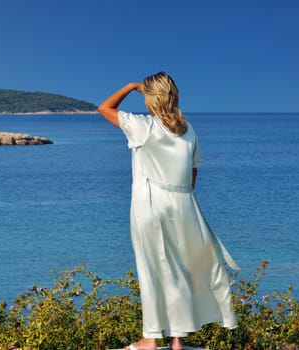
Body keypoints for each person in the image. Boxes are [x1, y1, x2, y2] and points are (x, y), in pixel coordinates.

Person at [97, 72, 239, 350]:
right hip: (184, 205)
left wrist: (130, 86)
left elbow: (105, 108)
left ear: (150, 98)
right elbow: (192, 176)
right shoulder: (188, 130)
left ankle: (150, 339)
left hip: (150, 204)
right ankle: (177, 340)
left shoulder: (143, 126)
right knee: (182, 271)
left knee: (153, 270)